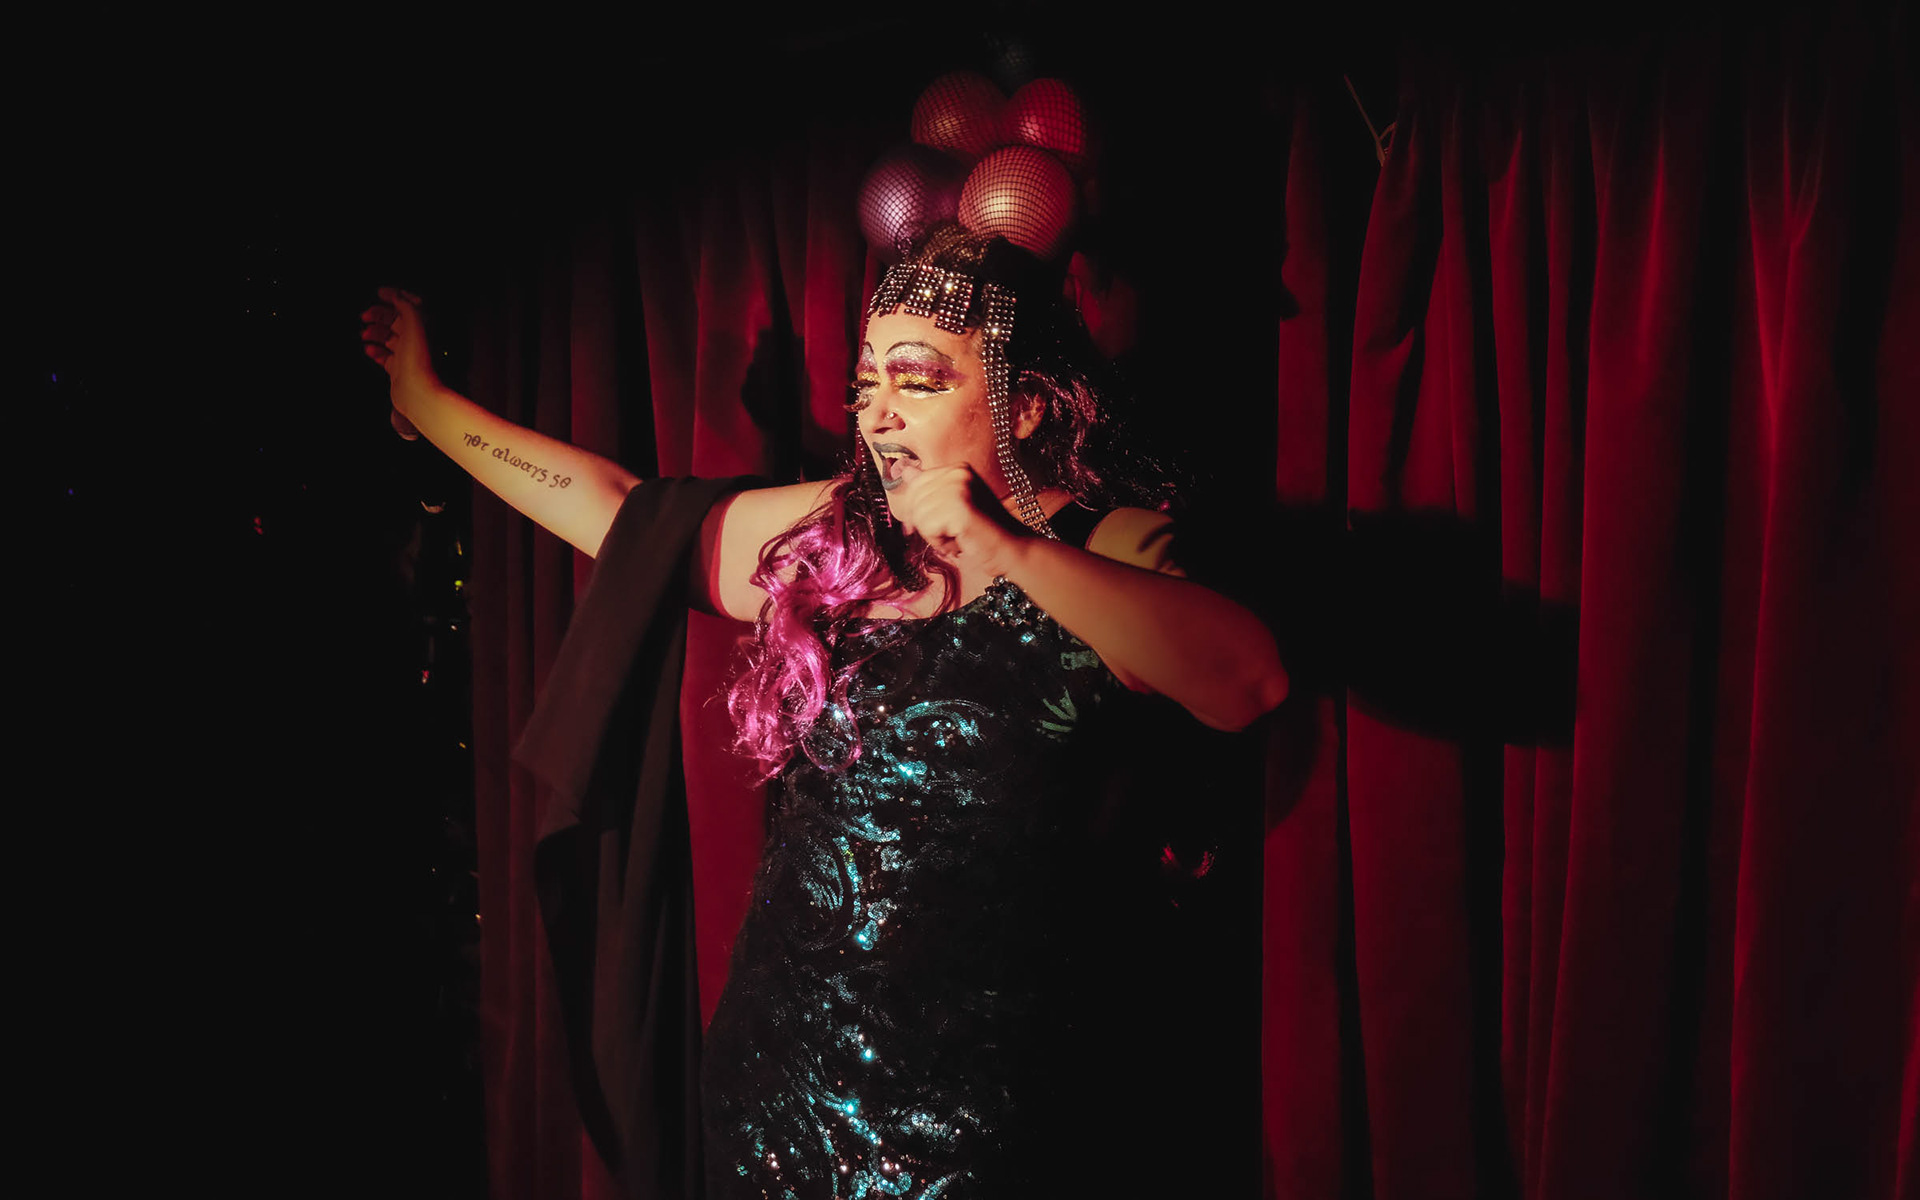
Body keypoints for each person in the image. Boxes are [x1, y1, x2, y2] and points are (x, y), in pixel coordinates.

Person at [362, 222, 1288, 1196]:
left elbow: (1247, 682)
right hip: (770, 1102)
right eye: (866, 383)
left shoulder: (1108, 544)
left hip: (984, 1137)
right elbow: (624, 510)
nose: (878, 414)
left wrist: (1005, 547)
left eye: (917, 380)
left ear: (1022, 406)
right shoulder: (846, 541)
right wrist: (429, 404)